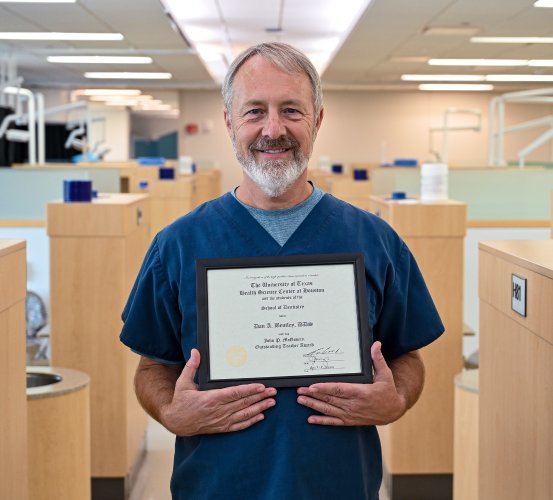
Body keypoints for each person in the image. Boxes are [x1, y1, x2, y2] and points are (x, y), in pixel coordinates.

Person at [120, 42, 444, 500]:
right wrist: (172, 414)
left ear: (318, 119)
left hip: (339, 485)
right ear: (230, 122)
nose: (273, 129)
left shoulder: (375, 240)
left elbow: (407, 356)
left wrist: (397, 400)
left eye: (291, 110)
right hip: (216, 486)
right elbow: (152, 366)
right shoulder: (177, 244)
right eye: (254, 111)